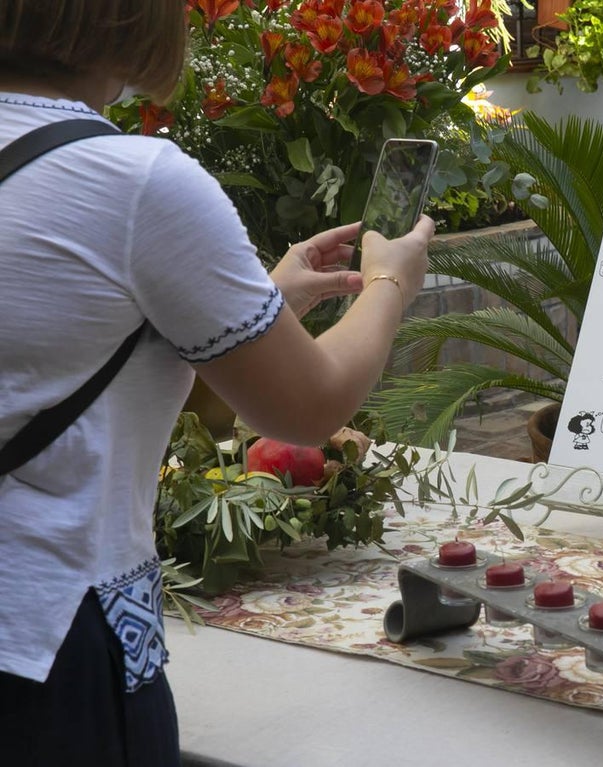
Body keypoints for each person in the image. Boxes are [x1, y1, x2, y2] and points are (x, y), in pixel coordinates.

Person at [0, 2, 431, 764]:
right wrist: (388, 283)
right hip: (53, 645)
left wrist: (263, 301)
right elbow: (312, 405)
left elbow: (61, 346)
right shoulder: (134, 182)